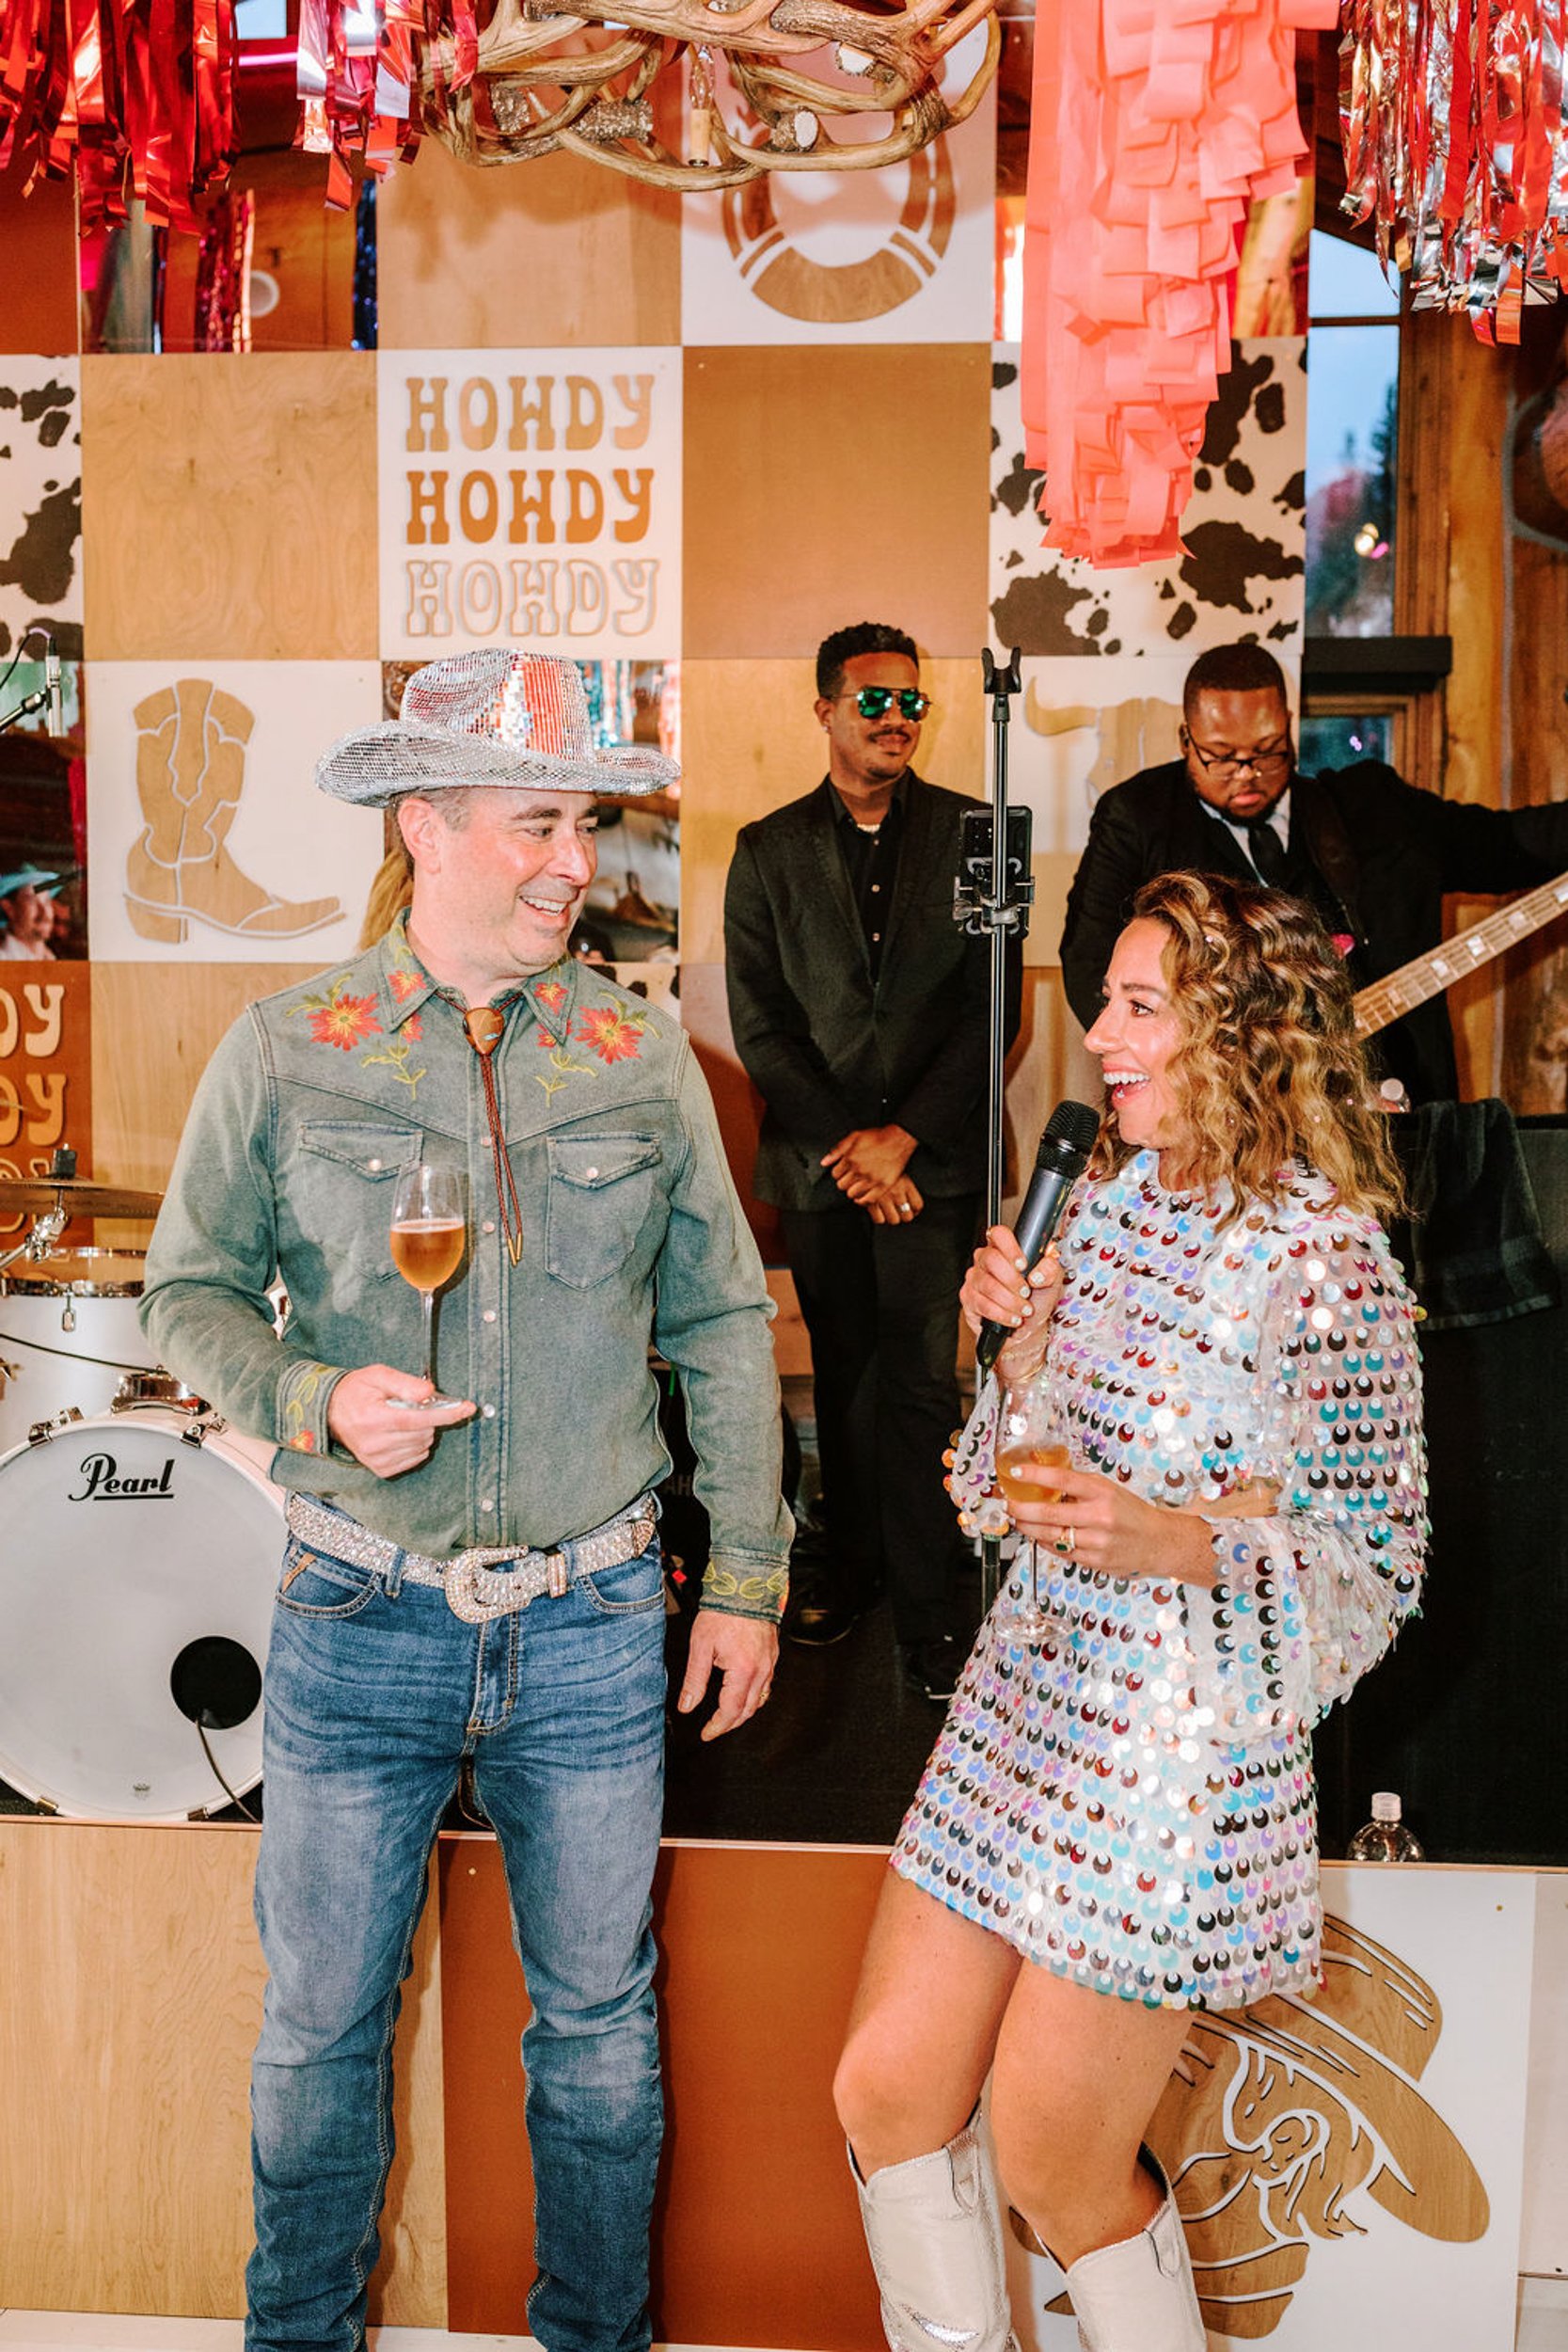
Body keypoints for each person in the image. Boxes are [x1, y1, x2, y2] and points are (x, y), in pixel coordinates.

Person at [140, 648, 791, 2352]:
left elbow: (723, 1320)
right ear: (424, 825)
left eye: (582, 822)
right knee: (320, 2035)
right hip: (357, 1615)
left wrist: (747, 1579)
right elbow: (183, 1292)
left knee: (596, 2034)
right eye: (536, 823)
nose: (576, 861)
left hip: (589, 1626)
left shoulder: (638, 1055)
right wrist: (307, 1398)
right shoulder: (288, 1049)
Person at [834, 870, 1427, 2352]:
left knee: (1048, 2151)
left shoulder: (1324, 1255)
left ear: (1240, 1033)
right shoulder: (1092, 1209)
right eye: (1103, 998)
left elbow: (1376, 1564)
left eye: (1136, 1006)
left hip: (1174, 1748)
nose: (1095, 1033)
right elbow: (998, 1488)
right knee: (886, 2090)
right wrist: (1015, 1359)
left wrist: (1179, 1546)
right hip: (1021, 1703)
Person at [723, 621, 1014, 1700]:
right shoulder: (765, 849)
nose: (895, 719)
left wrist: (906, 1139)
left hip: (932, 1168)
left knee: (920, 1386)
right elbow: (761, 1024)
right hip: (820, 1169)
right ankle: (843, 1568)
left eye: (910, 703)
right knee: (838, 1377)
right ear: (824, 710)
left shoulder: (978, 833)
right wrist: (852, 1145)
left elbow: (995, 1009)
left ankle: (934, 1607)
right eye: (873, 701)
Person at [1059, 639, 1568, 1106]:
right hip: (1217, 1114)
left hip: (1387, 1107)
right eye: (1220, 756)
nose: (1247, 774)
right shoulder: (1139, 816)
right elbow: (1089, 963)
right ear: (1185, 740)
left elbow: (1510, 844)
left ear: (1288, 724)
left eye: (1267, 750)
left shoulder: (1374, 808)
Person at [0, 865, 59, 959]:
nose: (44, 911)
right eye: (32, 900)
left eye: (46, 901)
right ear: (9, 908)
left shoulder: (52, 959)